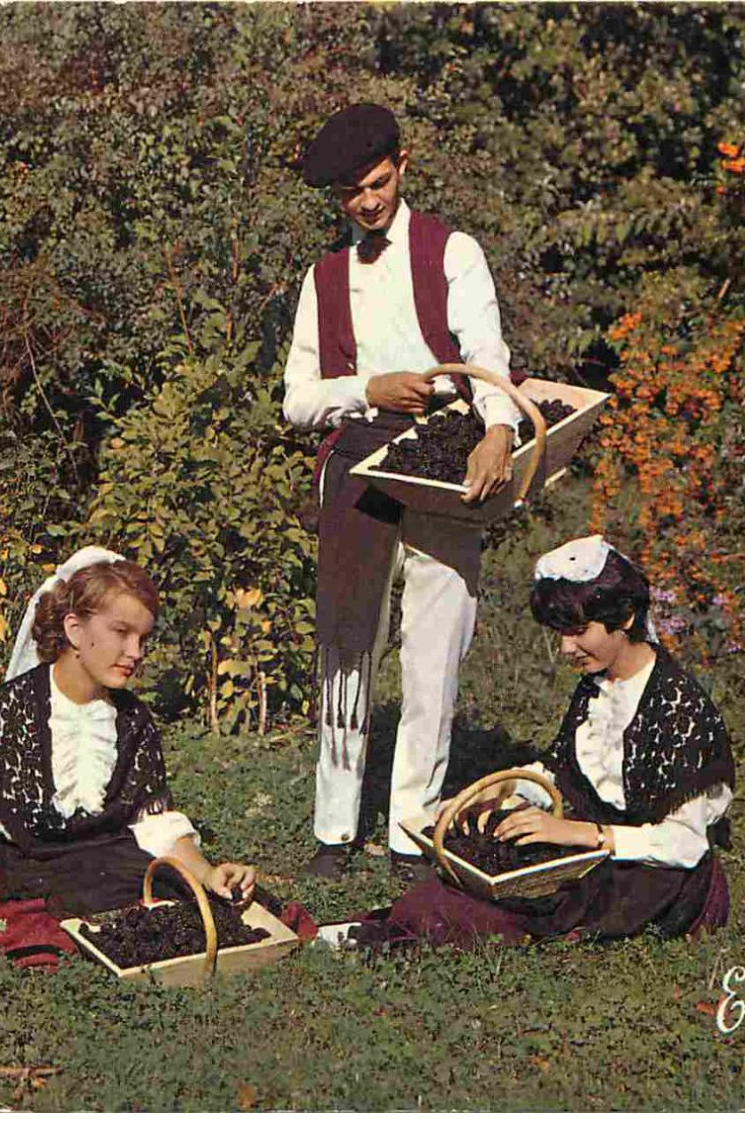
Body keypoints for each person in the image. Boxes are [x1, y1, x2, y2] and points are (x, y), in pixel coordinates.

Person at [281, 102, 523, 880]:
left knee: (434, 645)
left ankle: (413, 828)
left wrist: (498, 429)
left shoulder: (453, 251)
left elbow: (488, 351)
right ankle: (332, 828)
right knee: (348, 643)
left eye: (378, 184)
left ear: (404, 166)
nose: (368, 202)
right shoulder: (322, 279)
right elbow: (296, 398)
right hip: (356, 459)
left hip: (448, 457)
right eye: (352, 193)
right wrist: (367, 387)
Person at [352, 536, 734, 949]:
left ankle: (449, 921)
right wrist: (504, 786)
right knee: (491, 848)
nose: (566, 649)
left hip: (656, 871)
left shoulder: (679, 707)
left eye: (578, 632)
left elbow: (685, 844)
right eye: (560, 634)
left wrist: (577, 834)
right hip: (597, 848)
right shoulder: (598, 685)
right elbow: (563, 771)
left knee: (505, 903)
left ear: (624, 618)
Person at [0, 550, 266, 968]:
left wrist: (206, 874)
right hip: (32, 874)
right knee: (39, 940)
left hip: (111, 867)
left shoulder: (132, 719)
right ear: (74, 629)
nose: (136, 652)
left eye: (143, 639)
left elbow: (154, 822)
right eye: (121, 632)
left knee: (205, 920)